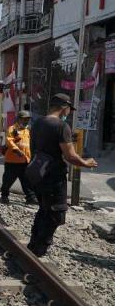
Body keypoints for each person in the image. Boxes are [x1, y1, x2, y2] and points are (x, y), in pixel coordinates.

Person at [27, 94, 97, 257]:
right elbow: (70, 156)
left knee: (44, 209)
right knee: (56, 214)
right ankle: (39, 249)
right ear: (64, 107)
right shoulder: (61, 126)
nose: (69, 113)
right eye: (68, 109)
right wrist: (86, 163)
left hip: (37, 172)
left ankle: (33, 244)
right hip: (53, 176)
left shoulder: (37, 123)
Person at [1, 110, 37, 205]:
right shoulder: (12, 129)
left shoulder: (27, 131)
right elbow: (9, 141)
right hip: (12, 161)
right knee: (8, 180)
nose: (26, 121)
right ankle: (4, 196)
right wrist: (16, 150)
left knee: (27, 181)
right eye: (24, 119)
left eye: (28, 119)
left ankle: (31, 198)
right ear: (19, 119)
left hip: (25, 161)